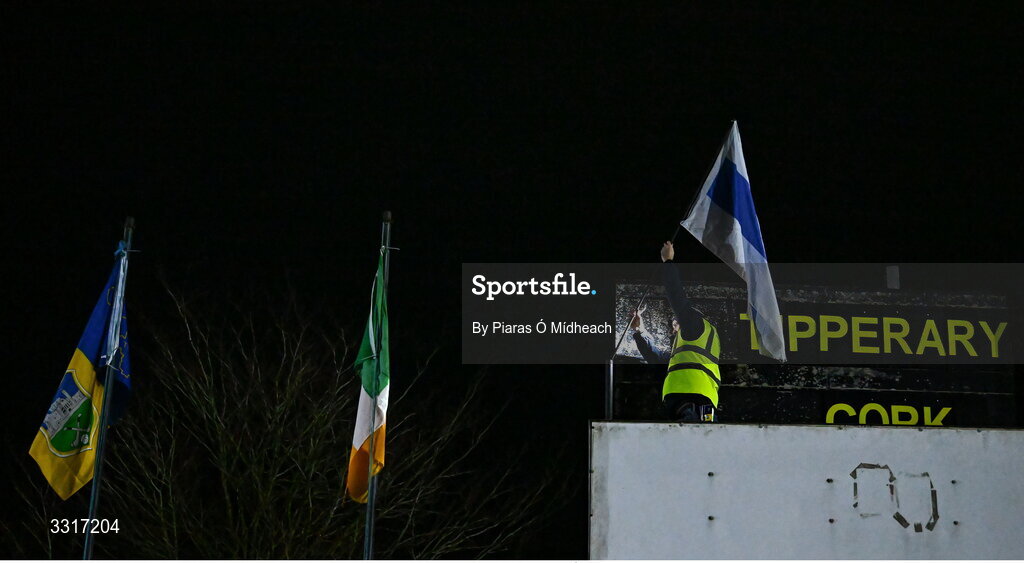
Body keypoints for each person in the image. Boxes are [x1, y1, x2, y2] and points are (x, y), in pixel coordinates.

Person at [630, 241, 721, 422]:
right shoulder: (692, 350)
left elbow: (676, 297)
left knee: (685, 435)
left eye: (675, 322)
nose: (673, 327)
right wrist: (639, 331)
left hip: (683, 397)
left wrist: (668, 261)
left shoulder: (695, 325)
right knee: (708, 434)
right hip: (706, 400)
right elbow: (655, 357)